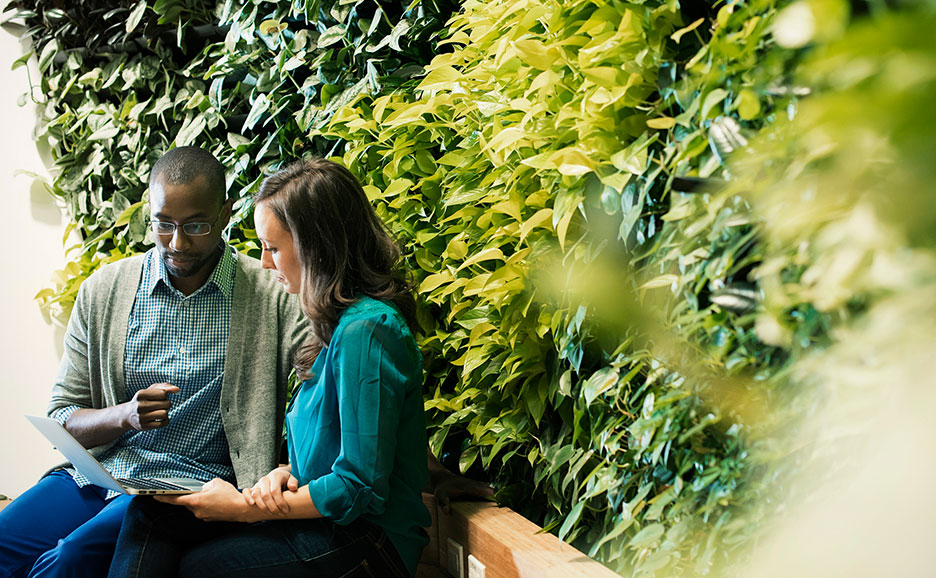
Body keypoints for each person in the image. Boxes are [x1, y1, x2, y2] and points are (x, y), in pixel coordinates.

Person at [109, 158, 432, 578]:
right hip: (327, 524)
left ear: (318, 245)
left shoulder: (367, 330)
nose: (264, 263)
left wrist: (244, 508)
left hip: (366, 543)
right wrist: (285, 475)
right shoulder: (334, 325)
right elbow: (331, 453)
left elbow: (360, 487)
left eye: (273, 248)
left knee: (197, 568)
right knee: (151, 515)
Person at [0, 147, 307, 578]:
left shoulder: (271, 294)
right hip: (100, 475)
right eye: (163, 225)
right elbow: (63, 417)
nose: (177, 243)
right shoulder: (104, 290)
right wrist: (125, 415)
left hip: (185, 488)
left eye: (196, 226)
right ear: (149, 213)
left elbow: (324, 376)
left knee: (70, 557)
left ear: (225, 214)